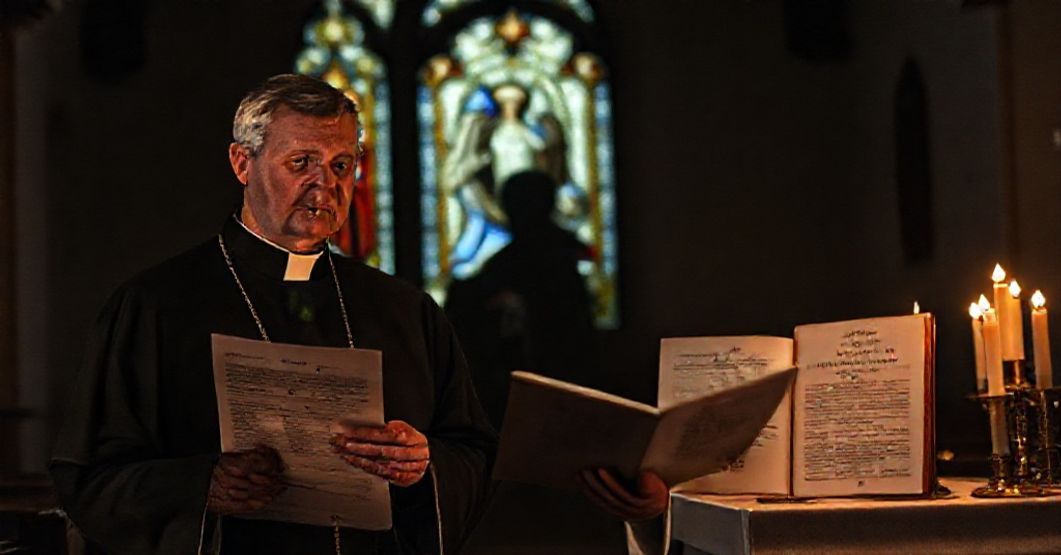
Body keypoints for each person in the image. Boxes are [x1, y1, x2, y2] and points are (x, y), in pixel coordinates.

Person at [50, 74, 496, 554]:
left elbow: (474, 453)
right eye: (301, 162)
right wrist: (202, 487)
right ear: (243, 162)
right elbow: (92, 478)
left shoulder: (405, 311)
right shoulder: (153, 307)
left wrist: (424, 465)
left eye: (341, 164)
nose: (325, 184)